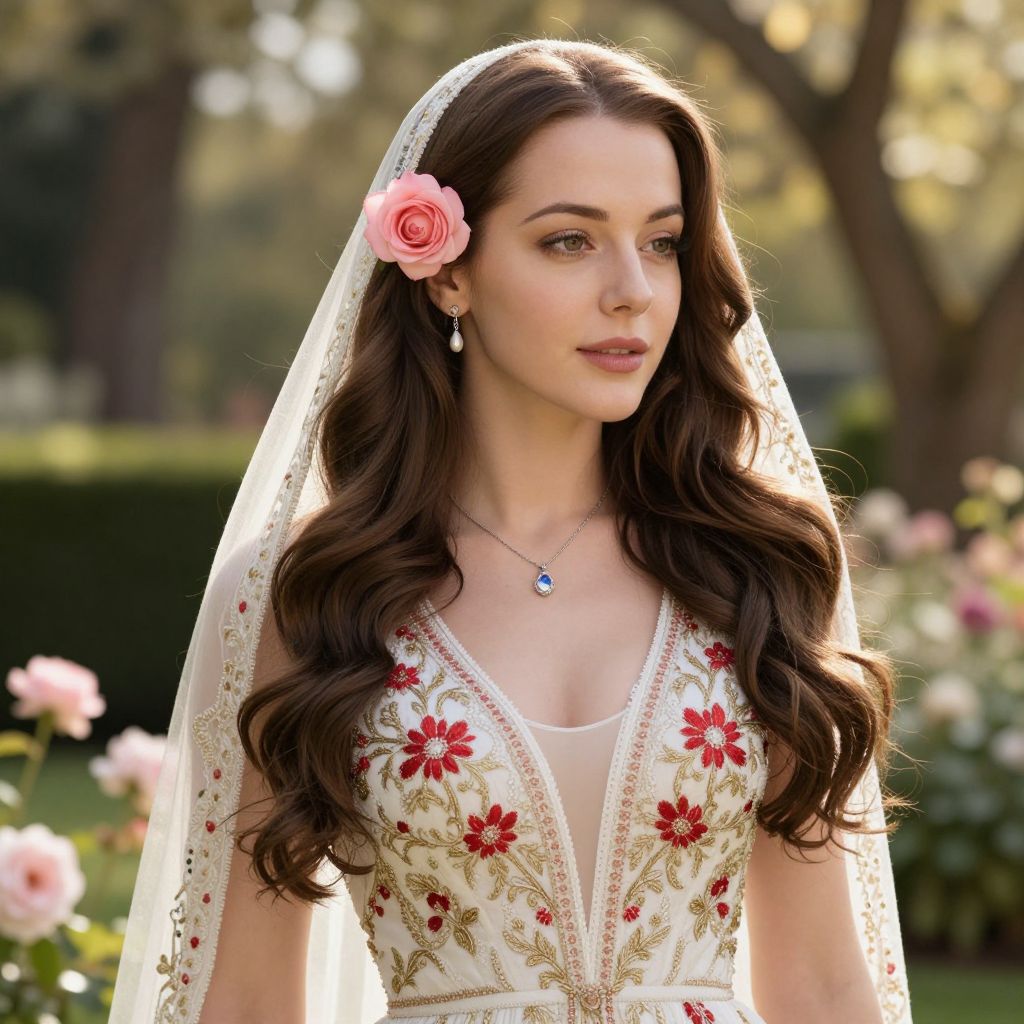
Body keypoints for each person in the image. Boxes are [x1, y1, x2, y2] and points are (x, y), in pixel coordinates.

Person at [109, 38, 914, 1024]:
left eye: (662, 242)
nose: (632, 289)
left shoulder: (757, 565)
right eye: (569, 240)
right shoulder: (307, 592)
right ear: (447, 271)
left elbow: (823, 986)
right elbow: (243, 1002)